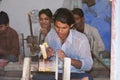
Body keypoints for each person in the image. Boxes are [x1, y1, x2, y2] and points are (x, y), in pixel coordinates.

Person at [45, 8, 93, 80]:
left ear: (71, 25)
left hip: (74, 74)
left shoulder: (81, 39)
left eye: (64, 28)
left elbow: (88, 65)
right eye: (57, 27)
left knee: (87, 78)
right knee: (36, 77)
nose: (60, 31)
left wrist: (67, 59)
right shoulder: (50, 36)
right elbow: (42, 57)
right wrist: (46, 54)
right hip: (54, 74)